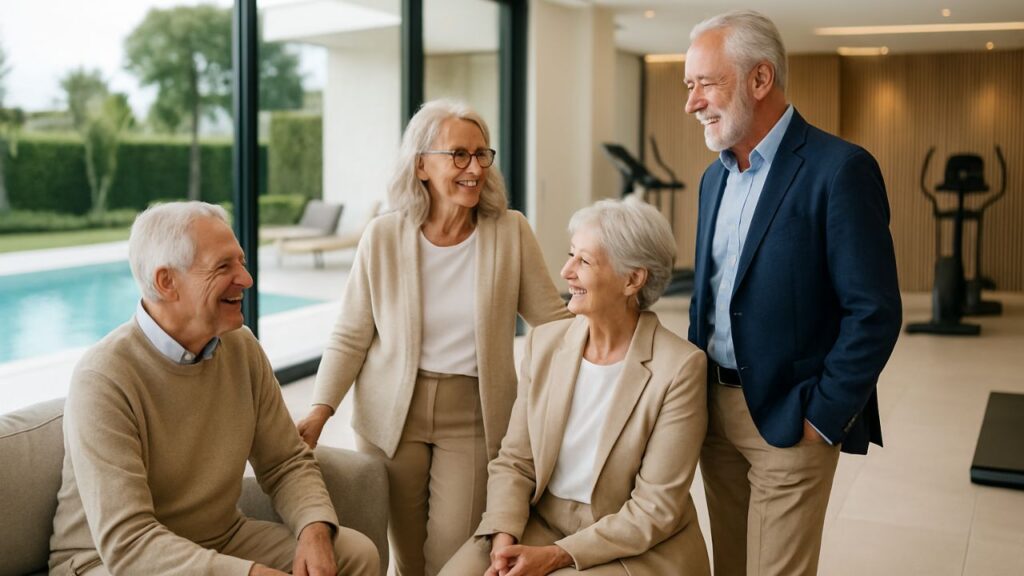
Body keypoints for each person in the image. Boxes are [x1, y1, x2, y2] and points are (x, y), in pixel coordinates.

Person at [296, 99, 571, 576]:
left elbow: (552, 323)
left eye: (481, 154)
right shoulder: (383, 236)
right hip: (390, 417)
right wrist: (320, 412)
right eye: (458, 155)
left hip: (474, 414)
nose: (473, 168)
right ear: (421, 164)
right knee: (405, 556)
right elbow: (351, 334)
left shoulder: (510, 232)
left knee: (452, 555)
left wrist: (607, 315)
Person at [683, 10, 903, 576]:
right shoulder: (714, 178)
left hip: (791, 417)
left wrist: (822, 417)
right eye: (690, 86)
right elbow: (710, 296)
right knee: (729, 565)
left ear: (760, 79)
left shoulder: (840, 169)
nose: (693, 102)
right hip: (712, 414)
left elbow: (873, 312)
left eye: (706, 83)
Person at [48, 202, 379, 576]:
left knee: (355, 554)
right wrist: (250, 574)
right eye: (224, 266)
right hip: (107, 561)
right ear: (166, 282)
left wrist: (314, 529)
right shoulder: (104, 378)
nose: (246, 279)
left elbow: (285, 461)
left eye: (240, 261)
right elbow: (129, 543)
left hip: (218, 537)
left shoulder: (242, 347)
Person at [440, 197, 711, 576]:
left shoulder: (679, 367)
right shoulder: (544, 343)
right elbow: (515, 460)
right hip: (542, 522)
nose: (566, 271)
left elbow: (654, 509)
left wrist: (554, 556)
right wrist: (503, 540)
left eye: (584, 261)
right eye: (571, 255)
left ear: (632, 279)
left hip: (630, 543)